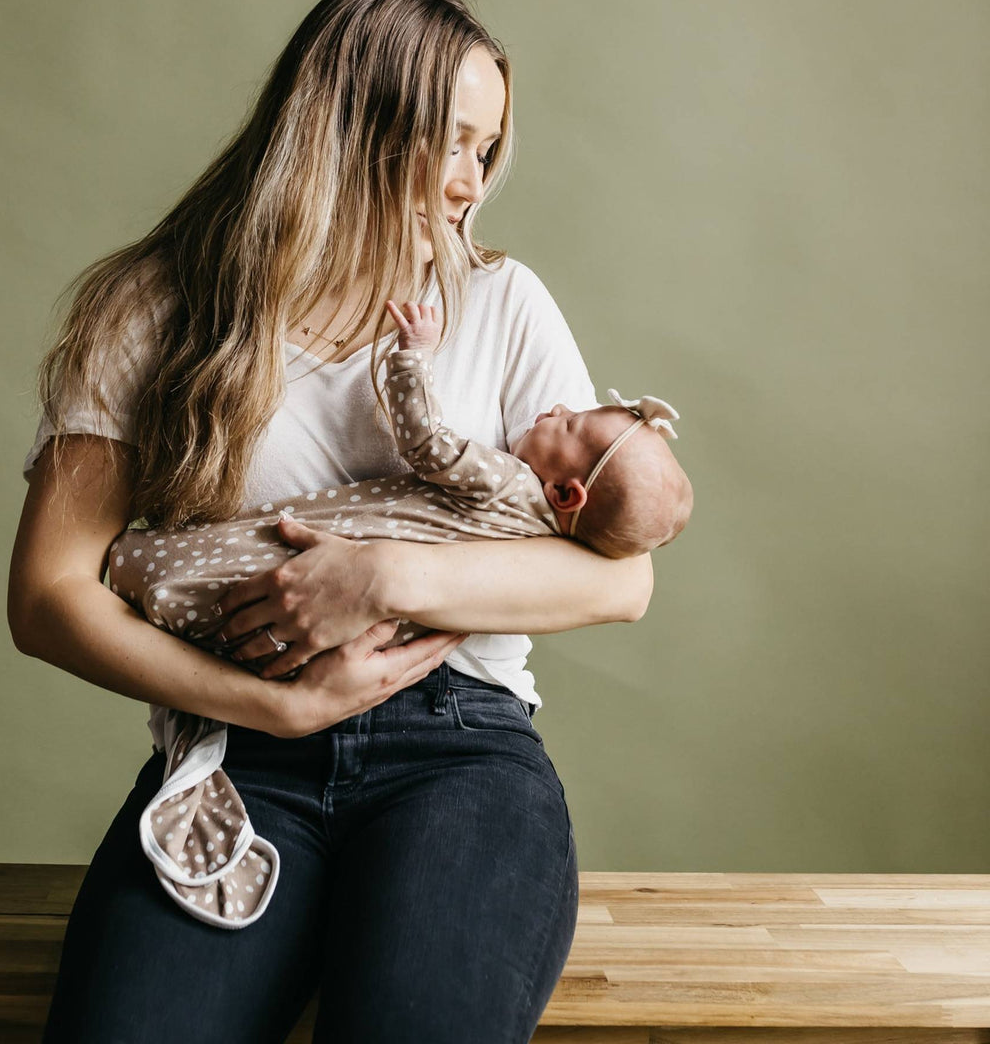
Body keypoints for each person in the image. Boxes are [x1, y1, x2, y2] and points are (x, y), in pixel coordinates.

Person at [8, 0, 656, 1043]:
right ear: (351, 119)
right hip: (236, 747)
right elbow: (47, 596)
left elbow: (622, 576)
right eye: (450, 142)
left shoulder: (499, 302)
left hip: (460, 750)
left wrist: (386, 576)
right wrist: (275, 707)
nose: (470, 183)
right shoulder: (154, 306)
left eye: (486, 151)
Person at [114, 296, 692, 930]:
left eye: (572, 425)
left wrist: (411, 358)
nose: (557, 408)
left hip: (454, 720)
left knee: (242, 567)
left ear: (565, 492)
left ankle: (143, 573)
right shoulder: (543, 531)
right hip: (268, 715)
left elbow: (430, 445)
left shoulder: (508, 482)